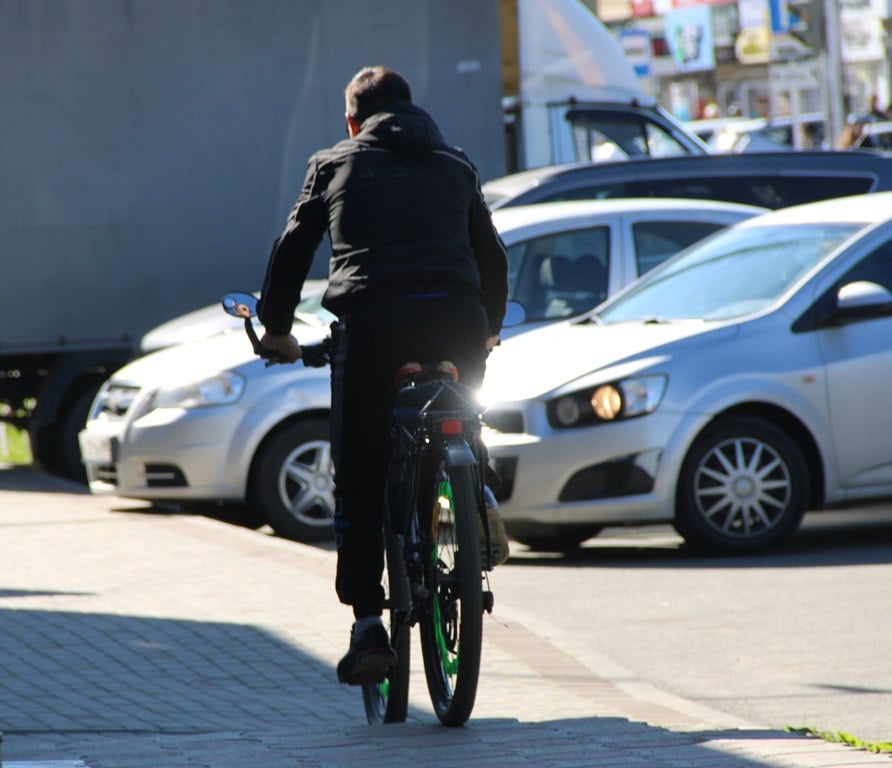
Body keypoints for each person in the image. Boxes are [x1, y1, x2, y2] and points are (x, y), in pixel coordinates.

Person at [255, 66, 509, 686]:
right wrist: (490, 328)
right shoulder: (457, 164)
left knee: (362, 473)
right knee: (463, 415)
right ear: (412, 109)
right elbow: (492, 256)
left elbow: (292, 250)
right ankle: (472, 496)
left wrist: (278, 328)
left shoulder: (334, 162)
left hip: (373, 328)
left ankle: (369, 622)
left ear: (352, 120)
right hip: (457, 320)